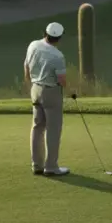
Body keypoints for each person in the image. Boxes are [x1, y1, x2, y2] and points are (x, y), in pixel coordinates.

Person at [23, 22, 70, 176]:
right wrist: (70, 91)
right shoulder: (58, 56)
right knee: (53, 130)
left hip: (35, 89)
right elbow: (61, 79)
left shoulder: (33, 45)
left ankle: (36, 165)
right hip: (51, 92)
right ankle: (51, 167)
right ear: (59, 38)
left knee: (37, 127)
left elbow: (26, 67)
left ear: (45, 33)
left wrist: (31, 84)